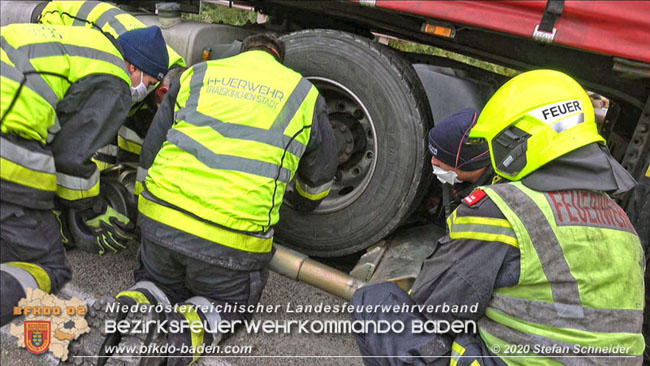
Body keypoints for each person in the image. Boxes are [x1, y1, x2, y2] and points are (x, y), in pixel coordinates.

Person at [352, 70, 645, 365]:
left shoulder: (505, 209)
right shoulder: (623, 224)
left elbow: (433, 305)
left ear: (520, 140)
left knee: (377, 302)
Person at [97, 33, 337, 365]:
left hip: (161, 221)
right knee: (227, 303)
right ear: (278, 59)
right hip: (229, 240)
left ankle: (137, 304)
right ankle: (181, 334)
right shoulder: (303, 95)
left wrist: (145, 208)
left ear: (241, 51)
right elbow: (320, 177)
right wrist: (304, 203)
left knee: (157, 281)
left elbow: (153, 148)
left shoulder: (198, 74)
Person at [0, 23, 169, 326]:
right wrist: (93, 209)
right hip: (7, 135)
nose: (147, 90)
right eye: (150, 82)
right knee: (44, 265)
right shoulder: (116, 80)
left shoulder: (86, 43)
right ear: (133, 67)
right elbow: (69, 159)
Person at [427, 108, 493, 217]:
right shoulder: (462, 178)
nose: (433, 161)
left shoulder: (487, 208)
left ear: (466, 164)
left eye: (441, 159)